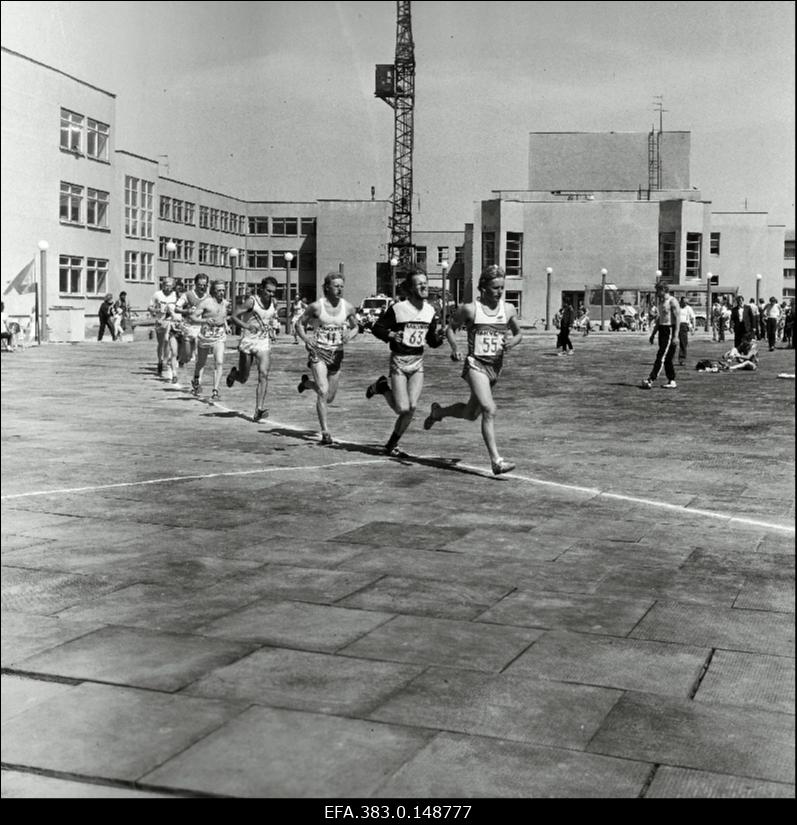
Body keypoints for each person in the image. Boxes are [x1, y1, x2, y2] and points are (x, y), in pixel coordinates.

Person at [423, 264, 522, 475]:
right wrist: (455, 348)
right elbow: (450, 329)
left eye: (502, 288)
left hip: (495, 367)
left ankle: (438, 412)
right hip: (475, 365)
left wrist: (512, 342)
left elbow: (518, 333)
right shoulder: (470, 309)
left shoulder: (508, 309)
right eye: (495, 288)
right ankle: (496, 461)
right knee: (489, 409)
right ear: (483, 288)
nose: (499, 292)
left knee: (470, 414)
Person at [365, 268, 444, 455]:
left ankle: (391, 445)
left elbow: (431, 341)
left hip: (417, 363)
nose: (424, 285)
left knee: (412, 407)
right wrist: (391, 334)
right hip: (399, 362)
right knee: (402, 407)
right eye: (419, 283)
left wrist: (441, 337)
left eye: (425, 282)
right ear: (410, 288)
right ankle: (382, 387)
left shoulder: (430, 310)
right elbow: (377, 328)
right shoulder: (398, 309)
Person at [295, 272, 359, 445]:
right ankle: (325, 432)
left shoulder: (348, 307)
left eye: (341, 286)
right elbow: (299, 323)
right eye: (336, 286)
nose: (339, 289)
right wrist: (306, 338)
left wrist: (350, 334)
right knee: (323, 391)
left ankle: (307, 384)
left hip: (336, 353)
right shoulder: (316, 307)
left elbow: (356, 327)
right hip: (318, 351)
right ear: (327, 287)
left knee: (330, 397)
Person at [226, 276, 280, 421]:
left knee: (263, 374)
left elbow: (271, 319)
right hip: (248, 341)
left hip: (263, 342)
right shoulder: (252, 301)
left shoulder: (274, 302)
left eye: (273, 292)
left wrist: (272, 332)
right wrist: (246, 326)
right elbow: (234, 316)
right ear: (262, 289)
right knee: (244, 378)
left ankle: (259, 410)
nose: (271, 294)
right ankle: (233, 375)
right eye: (268, 291)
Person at [189, 280, 229, 401]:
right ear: (213, 291)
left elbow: (223, 316)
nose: (221, 293)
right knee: (201, 362)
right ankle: (196, 380)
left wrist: (226, 325)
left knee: (219, 362)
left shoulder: (225, 303)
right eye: (218, 290)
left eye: (223, 290)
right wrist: (204, 321)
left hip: (219, 336)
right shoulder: (206, 302)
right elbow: (193, 317)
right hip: (205, 336)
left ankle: (215, 390)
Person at [640, 280, 680, 389]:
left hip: (669, 330)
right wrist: (653, 334)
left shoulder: (672, 301)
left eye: (658, 290)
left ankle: (651, 379)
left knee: (661, 355)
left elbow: (677, 319)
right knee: (667, 358)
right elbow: (659, 319)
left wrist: (676, 336)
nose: (657, 293)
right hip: (662, 329)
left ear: (663, 290)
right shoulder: (661, 302)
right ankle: (671, 380)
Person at [174, 273, 210, 372]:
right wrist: (186, 311)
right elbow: (176, 308)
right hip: (189, 327)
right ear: (195, 284)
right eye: (200, 285)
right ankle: (181, 359)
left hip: (201, 328)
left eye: (204, 285)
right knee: (188, 356)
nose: (202, 287)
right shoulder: (188, 295)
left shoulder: (209, 298)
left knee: (200, 356)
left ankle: (197, 379)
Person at [148, 278, 179, 380]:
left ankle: (166, 360)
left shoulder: (175, 295)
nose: (167, 287)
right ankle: (160, 360)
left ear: (173, 286)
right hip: (160, 321)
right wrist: (157, 310)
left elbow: (179, 307)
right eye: (165, 284)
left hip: (171, 322)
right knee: (161, 343)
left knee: (167, 341)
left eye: (170, 285)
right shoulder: (157, 294)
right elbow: (150, 307)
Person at [677, 296, 696, 366]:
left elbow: (693, 318)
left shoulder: (688, 308)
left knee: (683, 343)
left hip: (684, 325)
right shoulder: (677, 307)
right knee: (672, 343)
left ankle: (682, 359)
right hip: (676, 324)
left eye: (686, 303)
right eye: (684, 302)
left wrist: (693, 328)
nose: (685, 304)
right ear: (681, 301)